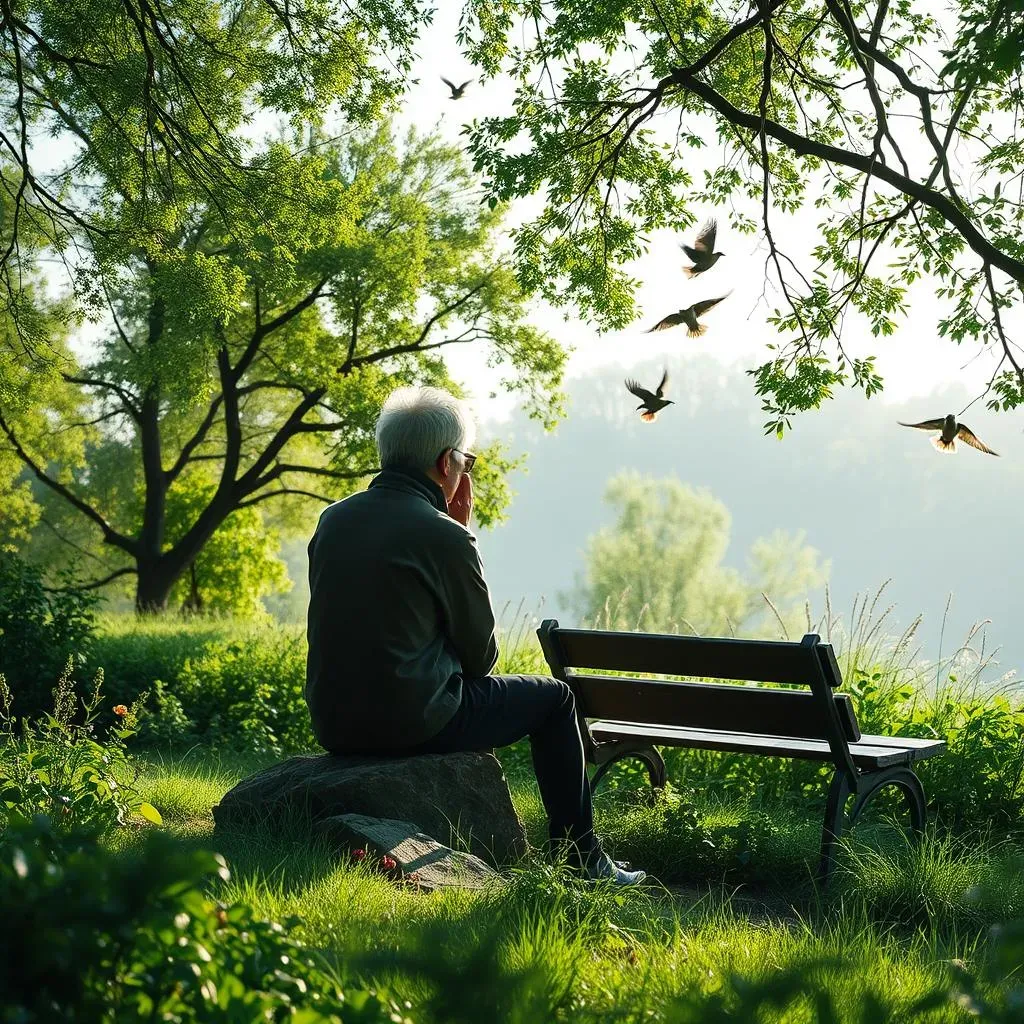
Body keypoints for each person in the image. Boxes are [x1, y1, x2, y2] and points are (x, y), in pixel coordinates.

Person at [305, 386, 645, 884]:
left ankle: (582, 857)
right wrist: (462, 537)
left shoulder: (332, 520)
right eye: (467, 460)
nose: (466, 470)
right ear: (446, 462)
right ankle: (582, 857)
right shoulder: (444, 535)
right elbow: (481, 659)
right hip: (414, 722)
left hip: (335, 723)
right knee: (555, 701)